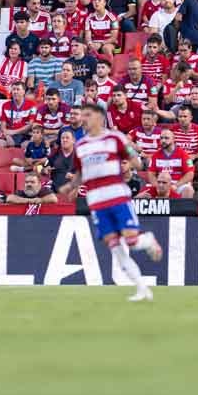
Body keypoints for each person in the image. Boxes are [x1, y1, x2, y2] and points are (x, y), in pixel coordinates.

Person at [59, 103, 162, 301]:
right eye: (83, 115)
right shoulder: (81, 145)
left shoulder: (114, 138)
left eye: (87, 115)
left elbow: (136, 161)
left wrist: (133, 155)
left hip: (117, 197)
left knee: (131, 241)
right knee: (115, 246)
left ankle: (148, 239)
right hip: (96, 202)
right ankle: (142, 289)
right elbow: (82, 173)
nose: (84, 119)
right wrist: (71, 186)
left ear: (99, 117)